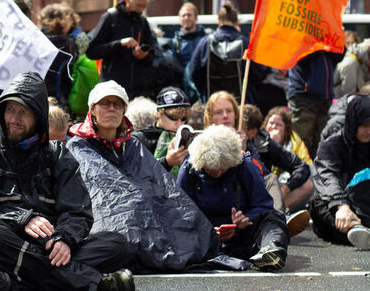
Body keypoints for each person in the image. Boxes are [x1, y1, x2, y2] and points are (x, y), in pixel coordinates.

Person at [0, 72, 134, 291]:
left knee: (118, 245)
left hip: (47, 249)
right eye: (10, 110)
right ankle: (91, 284)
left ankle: (22, 286)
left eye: (24, 112)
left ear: (39, 116)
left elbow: (77, 211)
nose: (14, 119)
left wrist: (64, 239)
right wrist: (21, 219)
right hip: (6, 246)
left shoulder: (57, 154)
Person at [67, 81, 219, 273]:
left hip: (144, 216)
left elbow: (157, 182)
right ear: (93, 110)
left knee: (193, 228)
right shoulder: (77, 146)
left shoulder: (132, 144)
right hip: (106, 223)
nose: (111, 109)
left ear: (124, 110)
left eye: (117, 104)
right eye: (105, 103)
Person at [177, 124, 289, 271]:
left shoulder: (245, 165)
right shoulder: (189, 169)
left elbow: (263, 205)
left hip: (240, 233)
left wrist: (246, 219)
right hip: (202, 235)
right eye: (211, 169)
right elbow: (179, 211)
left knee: (273, 217)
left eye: (222, 168)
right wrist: (208, 231)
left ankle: (271, 249)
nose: (217, 173)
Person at [309, 94, 370, 249]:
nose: (369, 131)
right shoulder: (332, 145)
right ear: (353, 123)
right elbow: (328, 176)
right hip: (340, 204)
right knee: (317, 203)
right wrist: (341, 205)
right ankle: (357, 231)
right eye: (364, 126)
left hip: (365, 203)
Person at [241, 104, 313, 235]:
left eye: (278, 125)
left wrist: (287, 187)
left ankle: (278, 216)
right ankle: (277, 217)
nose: (273, 127)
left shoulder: (266, 141)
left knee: (306, 182)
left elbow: (302, 166)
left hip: (270, 190)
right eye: (271, 123)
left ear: (253, 132)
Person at [86, 0, 156, 99]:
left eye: (144, 6)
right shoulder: (110, 18)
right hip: (112, 89)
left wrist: (144, 55)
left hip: (137, 91)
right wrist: (119, 44)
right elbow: (91, 51)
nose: (141, 10)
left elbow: (152, 56)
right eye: (139, 5)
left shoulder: (143, 22)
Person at [190, 1, 248, 102]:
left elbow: (194, 71)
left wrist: (204, 91)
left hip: (211, 100)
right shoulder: (245, 43)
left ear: (219, 21)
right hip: (239, 102)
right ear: (236, 22)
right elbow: (258, 72)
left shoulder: (205, 42)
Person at [286, 50, 341, 158]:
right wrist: (320, 45)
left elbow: (340, 54)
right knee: (301, 142)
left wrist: (329, 46)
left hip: (325, 96)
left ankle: (318, 167)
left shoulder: (326, 42)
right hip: (304, 96)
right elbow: (297, 54)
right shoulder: (305, 38)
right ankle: (300, 168)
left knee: (323, 142)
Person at [133, 86, 190, 178]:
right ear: (160, 113)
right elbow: (137, 174)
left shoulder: (187, 135)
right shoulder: (140, 138)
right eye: (174, 117)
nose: (179, 123)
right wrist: (167, 162)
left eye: (184, 118)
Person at [38, 3, 78, 107]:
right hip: (58, 98)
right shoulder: (67, 43)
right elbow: (70, 74)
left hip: (35, 96)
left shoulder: (35, 39)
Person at [166, 2, 206, 102]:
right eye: (183, 15)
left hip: (203, 91)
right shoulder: (175, 42)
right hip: (183, 94)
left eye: (189, 15)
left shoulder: (205, 40)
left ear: (196, 18)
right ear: (180, 19)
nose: (186, 18)